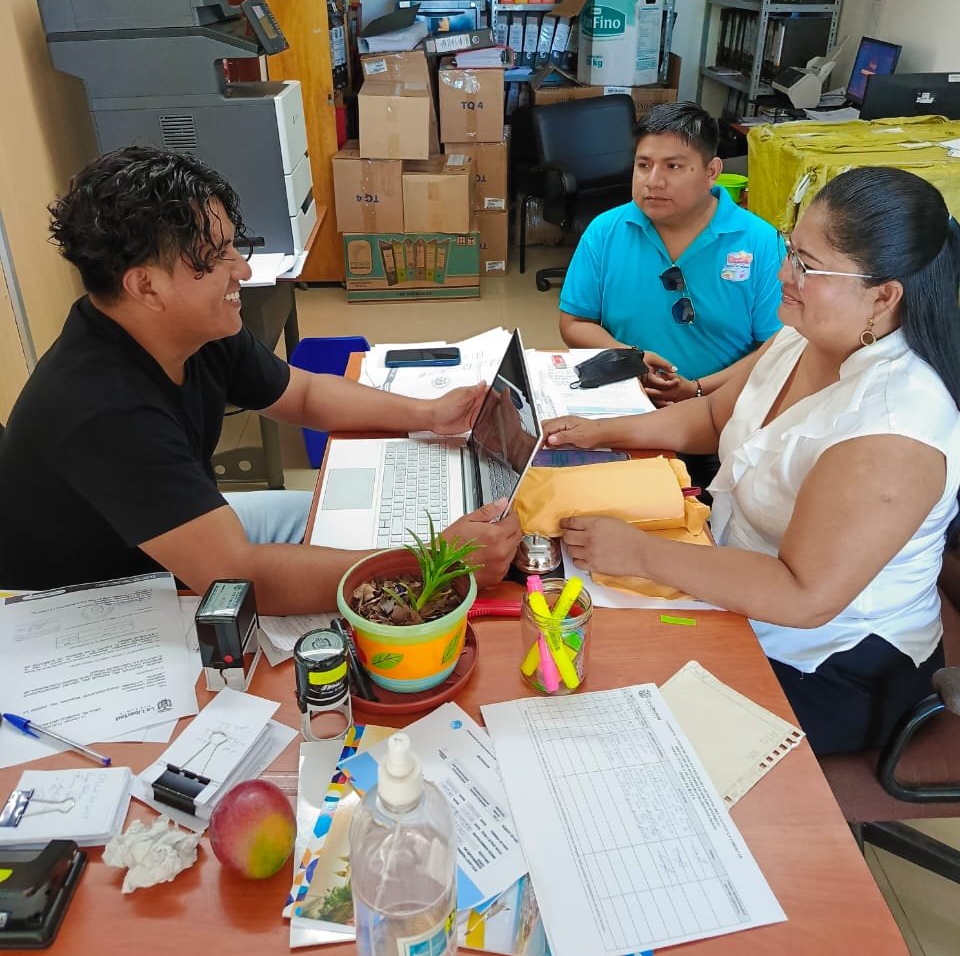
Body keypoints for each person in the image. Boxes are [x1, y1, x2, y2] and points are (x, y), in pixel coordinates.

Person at [544, 167, 960, 756]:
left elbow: (803, 596)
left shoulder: (893, 430)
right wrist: (600, 431)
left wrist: (637, 553)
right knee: (567, 630)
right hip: (734, 578)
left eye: (807, 265)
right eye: (791, 251)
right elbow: (716, 417)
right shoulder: (804, 334)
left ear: (883, 295)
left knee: (606, 713)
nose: (784, 274)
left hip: (828, 659)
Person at [0, 147, 521, 610]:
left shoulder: (190, 328)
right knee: (373, 597)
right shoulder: (102, 410)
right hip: (90, 597)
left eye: (233, 247)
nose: (243, 272)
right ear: (146, 286)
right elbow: (237, 579)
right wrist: (435, 560)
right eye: (216, 257)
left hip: (173, 536)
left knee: (357, 527)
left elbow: (305, 393)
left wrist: (427, 414)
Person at [557, 101, 784, 407]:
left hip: (721, 408)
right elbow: (574, 323)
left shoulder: (760, 242)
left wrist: (698, 391)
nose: (653, 181)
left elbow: (777, 348)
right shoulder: (605, 231)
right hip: (627, 398)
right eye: (643, 165)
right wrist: (631, 358)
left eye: (672, 166)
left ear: (711, 171)